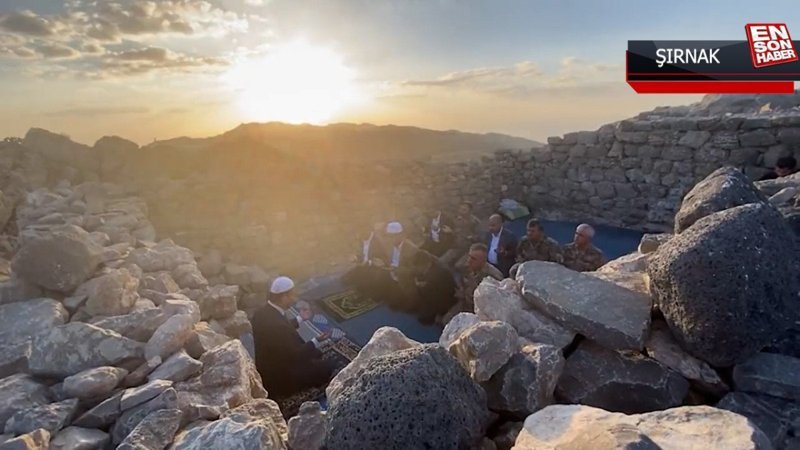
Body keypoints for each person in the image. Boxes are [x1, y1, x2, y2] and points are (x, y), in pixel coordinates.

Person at [252, 276, 335, 399]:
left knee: (316, 354)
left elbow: (281, 327)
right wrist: (317, 340)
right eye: (291, 296)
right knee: (327, 367)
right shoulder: (277, 326)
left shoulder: (262, 313)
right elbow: (295, 356)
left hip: (269, 366)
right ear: (284, 297)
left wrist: (299, 319)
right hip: (281, 376)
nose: (294, 299)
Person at [440, 243, 503, 325]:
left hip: (480, 311)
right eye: (469, 256)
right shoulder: (466, 267)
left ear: (483, 261)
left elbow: (493, 305)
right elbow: (463, 284)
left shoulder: (493, 277)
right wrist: (462, 293)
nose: (469, 260)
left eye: (473, 258)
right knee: (445, 321)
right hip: (465, 303)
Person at [371, 222, 419, 310]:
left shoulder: (412, 249)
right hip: (390, 274)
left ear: (401, 235)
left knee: (398, 306)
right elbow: (388, 259)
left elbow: (415, 270)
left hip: (404, 280)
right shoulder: (388, 245)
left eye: (393, 236)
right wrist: (381, 262)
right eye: (389, 236)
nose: (390, 239)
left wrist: (397, 270)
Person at [410, 250, 457, 324]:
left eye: (418, 267)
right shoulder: (431, 269)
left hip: (448, 300)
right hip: (436, 296)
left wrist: (423, 287)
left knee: (426, 318)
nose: (417, 269)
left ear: (425, 264)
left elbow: (442, 294)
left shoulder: (438, 273)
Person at [440, 201, 483, 267]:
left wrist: (471, 237)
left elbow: (479, 237)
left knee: (459, 266)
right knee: (441, 262)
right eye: (460, 209)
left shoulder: (475, 222)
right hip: (456, 247)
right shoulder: (457, 219)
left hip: (468, 249)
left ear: (470, 211)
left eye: (464, 210)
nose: (461, 211)